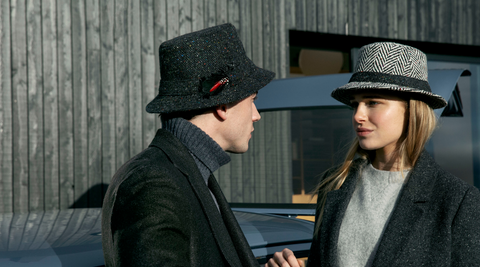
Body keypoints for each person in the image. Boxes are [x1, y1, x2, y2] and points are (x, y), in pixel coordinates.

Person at [266, 42, 480, 267]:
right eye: (355, 104)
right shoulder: (335, 184)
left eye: (373, 102)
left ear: (411, 109)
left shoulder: (458, 201)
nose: (358, 115)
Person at [102, 23, 275, 267]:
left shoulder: (188, 171)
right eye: (252, 101)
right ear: (223, 106)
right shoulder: (153, 183)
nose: (256, 114)